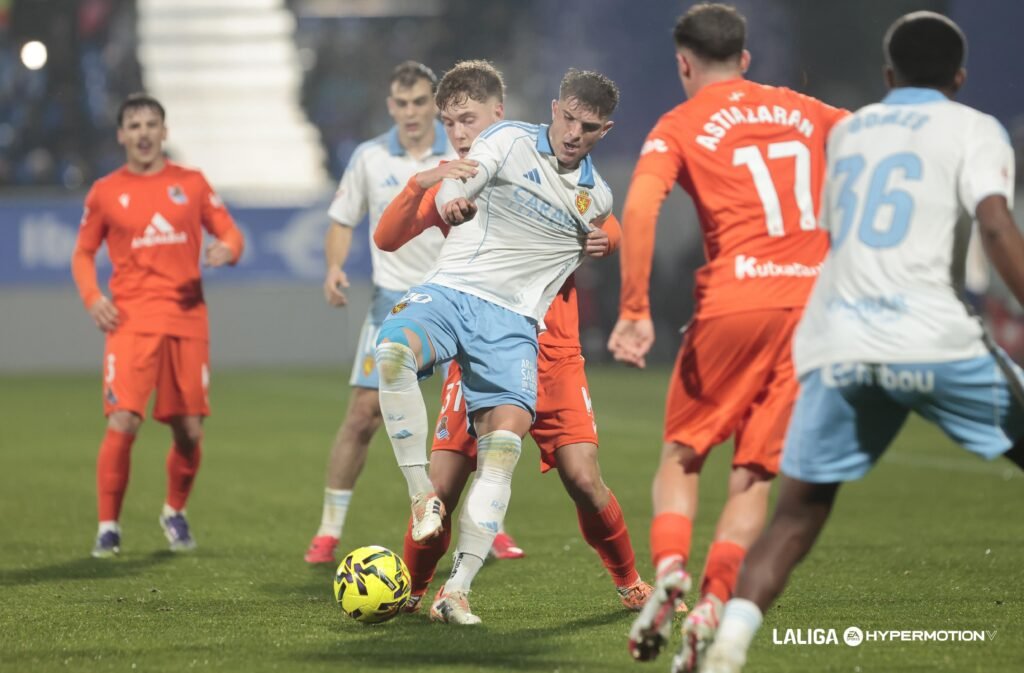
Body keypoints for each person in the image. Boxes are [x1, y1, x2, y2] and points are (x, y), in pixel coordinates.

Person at [703, 12, 1024, 673]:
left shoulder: (848, 134)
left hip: (839, 341)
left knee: (796, 514)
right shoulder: (973, 128)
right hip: (933, 336)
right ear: (959, 77)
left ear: (888, 76)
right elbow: (995, 226)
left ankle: (727, 648)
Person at [606, 4, 846, 668]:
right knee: (753, 473)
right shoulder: (811, 111)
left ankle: (673, 569)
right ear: (745, 58)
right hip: (812, 306)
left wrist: (634, 308)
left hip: (737, 297)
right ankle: (714, 600)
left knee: (682, 455)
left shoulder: (680, 122)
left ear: (684, 63)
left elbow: (640, 204)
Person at [373, 60, 655, 622]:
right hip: (477, 333)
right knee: (447, 481)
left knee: (583, 478)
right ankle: (414, 591)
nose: (457, 134)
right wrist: (429, 188)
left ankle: (628, 581)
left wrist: (609, 239)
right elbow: (389, 235)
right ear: (553, 111)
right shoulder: (474, 169)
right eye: (448, 123)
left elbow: (605, 219)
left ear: (498, 114)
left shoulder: (577, 186)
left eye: (467, 120)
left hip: (552, 352)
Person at [71, 93, 244, 557]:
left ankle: (174, 511)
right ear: (122, 135)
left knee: (189, 431)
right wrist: (92, 297)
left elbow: (229, 231)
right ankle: (108, 526)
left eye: (152, 124)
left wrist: (228, 249)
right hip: (130, 322)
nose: (143, 133)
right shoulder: (106, 191)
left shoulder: (191, 183)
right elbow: (83, 252)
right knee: (124, 420)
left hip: (187, 320)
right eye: (134, 125)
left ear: (164, 132)